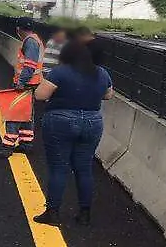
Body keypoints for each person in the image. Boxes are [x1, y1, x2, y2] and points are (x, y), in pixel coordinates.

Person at [31, 40, 114, 227]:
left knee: (58, 167)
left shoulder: (61, 71)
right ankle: (85, 213)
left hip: (61, 120)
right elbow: (108, 95)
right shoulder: (101, 73)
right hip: (92, 121)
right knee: (84, 168)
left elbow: (40, 95)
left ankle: (53, 213)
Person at [0, 18, 45, 158]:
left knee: (14, 114)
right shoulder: (35, 39)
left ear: (18, 29)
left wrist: (21, 82)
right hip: (32, 83)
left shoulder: (30, 42)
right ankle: (26, 143)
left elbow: (29, 65)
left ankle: (8, 146)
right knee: (26, 115)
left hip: (26, 84)